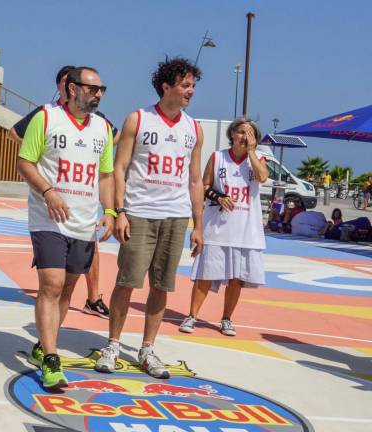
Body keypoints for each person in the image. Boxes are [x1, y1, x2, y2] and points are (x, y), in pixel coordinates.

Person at [95, 57, 204, 379]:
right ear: (166, 86)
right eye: (185, 85)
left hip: (176, 216)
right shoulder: (138, 120)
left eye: (193, 86)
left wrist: (198, 226)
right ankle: (113, 345)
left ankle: (147, 348)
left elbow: (195, 179)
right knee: (127, 281)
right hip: (140, 213)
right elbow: (120, 167)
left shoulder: (193, 128)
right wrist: (119, 211)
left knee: (162, 286)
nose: (191, 92)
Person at [17, 66, 115, 389]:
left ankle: (44, 343)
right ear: (72, 89)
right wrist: (48, 192)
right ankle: (51, 359)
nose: (98, 94)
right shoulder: (45, 117)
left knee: (69, 289)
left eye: (101, 89)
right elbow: (25, 162)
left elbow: (105, 175)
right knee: (52, 283)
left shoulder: (103, 129)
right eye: (92, 88)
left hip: (84, 222)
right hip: (49, 218)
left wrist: (111, 210)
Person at [179, 118, 268, 337]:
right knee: (205, 274)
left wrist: (252, 152)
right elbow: (205, 184)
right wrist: (218, 197)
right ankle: (192, 315)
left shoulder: (257, 160)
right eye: (240, 132)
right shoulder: (218, 157)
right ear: (232, 134)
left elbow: (263, 176)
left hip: (245, 229)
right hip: (217, 226)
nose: (244, 137)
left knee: (236, 278)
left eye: (249, 133)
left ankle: (226, 318)